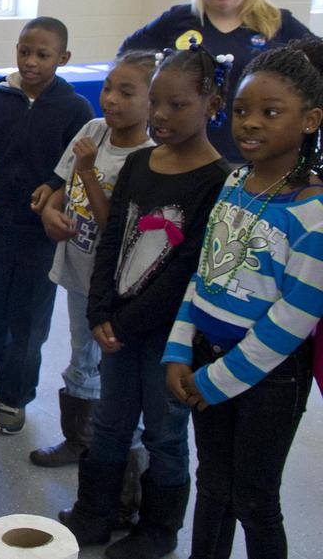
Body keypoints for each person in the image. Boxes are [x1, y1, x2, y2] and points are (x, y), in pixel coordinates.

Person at [60, 46, 230, 559]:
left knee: (164, 434)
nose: (159, 116)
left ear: (211, 102)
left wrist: (127, 323)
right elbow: (113, 240)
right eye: (155, 102)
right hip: (118, 328)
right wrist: (99, 311)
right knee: (110, 423)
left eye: (176, 106)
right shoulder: (137, 163)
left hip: (168, 338)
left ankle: (158, 530)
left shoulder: (217, 182)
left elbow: (186, 269)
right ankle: (95, 513)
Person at [164, 40, 323, 559]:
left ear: (310, 120)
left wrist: (218, 380)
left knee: (254, 498)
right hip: (205, 359)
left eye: (271, 113)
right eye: (241, 111)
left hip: (269, 378)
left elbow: (295, 318)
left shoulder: (312, 211)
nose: (250, 123)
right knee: (212, 486)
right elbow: (205, 276)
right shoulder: (235, 182)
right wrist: (180, 349)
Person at [0, 17, 93, 434]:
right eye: (24, 52)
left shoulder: (74, 108)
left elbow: (77, 171)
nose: (30, 62)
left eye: (42, 55)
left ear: (62, 59)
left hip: (42, 231)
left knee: (28, 315)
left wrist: (53, 188)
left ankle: (13, 396)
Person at [31, 52, 156, 467]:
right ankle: (78, 440)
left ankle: (122, 457)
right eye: (108, 88)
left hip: (117, 285)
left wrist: (87, 171)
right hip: (80, 270)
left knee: (116, 371)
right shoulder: (93, 131)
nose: (111, 99)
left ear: (152, 101)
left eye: (126, 92)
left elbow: (113, 224)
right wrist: (50, 211)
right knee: (81, 357)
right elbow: (59, 188)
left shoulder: (149, 156)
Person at [120, 0, 315, 163]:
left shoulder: (277, 21)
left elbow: (317, 59)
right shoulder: (180, 18)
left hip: (249, 146)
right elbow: (129, 53)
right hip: (179, 144)